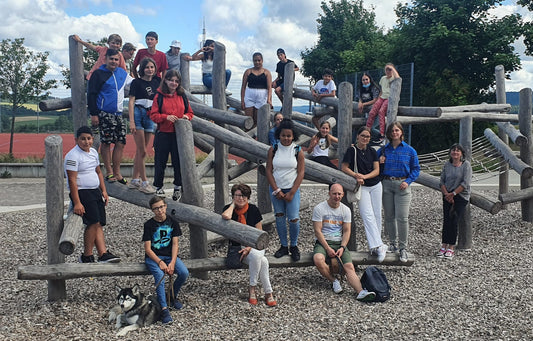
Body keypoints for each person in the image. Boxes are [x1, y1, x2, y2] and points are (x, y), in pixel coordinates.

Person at [64, 126, 120, 263]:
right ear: (76, 140)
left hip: (95, 190)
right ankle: (86, 255)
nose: (86, 142)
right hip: (82, 192)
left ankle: (103, 253)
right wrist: (77, 202)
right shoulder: (72, 156)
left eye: (88, 139)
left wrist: (104, 191)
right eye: (83, 139)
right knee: (93, 222)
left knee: (99, 223)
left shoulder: (94, 152)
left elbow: (98, 172)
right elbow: (72, 179)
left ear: (92, 139)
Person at [312, 183, 376, 301]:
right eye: (334, 193)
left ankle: (360, 291)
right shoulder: (319, 208)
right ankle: (334, 280)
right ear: (329, 193)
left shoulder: (345, 210)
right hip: (323, 241)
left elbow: (347, 231)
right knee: (318, 259)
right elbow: (317, 231)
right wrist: (327, 248)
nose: (337, 196)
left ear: (343, 194)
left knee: (349, 267)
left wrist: (342, 247)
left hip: (338, 242)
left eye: (339, 194)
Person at [221, 184, 277, 307]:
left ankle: (252, 288)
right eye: (237, 195)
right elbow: (226, 216)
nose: (240, 198)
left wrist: (249, 247)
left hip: (256, 246)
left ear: (248, 197)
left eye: (243, 196)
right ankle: (268, 293)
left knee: (257, 256)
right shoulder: (228, 209)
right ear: (233, 196)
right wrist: (232, 205)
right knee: (263, 261)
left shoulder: (253, 210)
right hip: (237, 248)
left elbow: (260, 234)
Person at [341, 127, 388, 262]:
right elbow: (344, 167)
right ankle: (378, 245)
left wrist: (364, 176)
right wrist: (356, 176)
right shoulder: (352, 151)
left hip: (375, 184)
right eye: (363, 136)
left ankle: (377, 245)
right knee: (367, 215)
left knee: (377, 214)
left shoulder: (372, 151)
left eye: (367, 136)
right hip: (363, 187)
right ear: (358, 136)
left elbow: (377, 170)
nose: (365, 138)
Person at [149, 69, 194, 201]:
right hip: (163, 133)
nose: (173, 83)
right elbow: (153, 115)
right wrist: (165, 117)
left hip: (178, 136)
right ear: (166, 81)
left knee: (178, 162)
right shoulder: (159, 96)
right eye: (171, 80)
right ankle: (158, 186)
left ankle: (177, 187)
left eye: (176, 81)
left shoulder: (182, 95)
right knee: (160, 162)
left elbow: (190, 112)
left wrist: (186, 116)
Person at [143, 196, 189, 324]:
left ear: (166, 206)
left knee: (184, 272)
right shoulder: (149, 225)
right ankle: (163, 309)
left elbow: (175, 244)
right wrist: (159, 262)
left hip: (169, 256)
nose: (160, 210)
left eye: (161, 207)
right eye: (156, 208)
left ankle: (171, 297)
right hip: (154, 258)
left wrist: (172, 262)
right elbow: (148, 249)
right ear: (152, 210)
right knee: (159, 275)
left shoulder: (173, 222)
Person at [378, 122, 420, 263]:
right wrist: (380, 162)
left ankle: (403, 248)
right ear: (389, 134)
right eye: (392, 131)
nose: (395, 133)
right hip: (387, 184)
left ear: (401, 132)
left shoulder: (410, 150)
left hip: (403, 185)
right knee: (389, 216)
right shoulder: (384, 150)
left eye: (397, 130)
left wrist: (408, 181)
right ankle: (392, 244)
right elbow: (373, 164)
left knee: (402, 217)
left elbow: (416, 169)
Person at [266, 118, 305, 261]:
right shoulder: (273, 149)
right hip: (276, 190)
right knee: (280, 217)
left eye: (289, 136)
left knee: (294, 218)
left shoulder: (297, 150)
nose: (286, 138)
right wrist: (276, 190)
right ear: (279, 135)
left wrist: (292, 192)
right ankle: (283, 245)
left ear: (293, 135)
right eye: (283, 135)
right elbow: (268, 170)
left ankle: (293, 245)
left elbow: (301, 172)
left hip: (292, 189)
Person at [87, 49, 128, 184]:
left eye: (116, 59)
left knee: (120, 142)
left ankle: (117, 172)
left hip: (119, 113)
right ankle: (109, 171)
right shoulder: (98, 74)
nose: (114, 62)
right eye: (111, 59)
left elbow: (135, 83)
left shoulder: (122, 73)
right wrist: (94, 114)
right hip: (104, 113)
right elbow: (91, 94)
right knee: (106, 141)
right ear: (106, 59)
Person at [127, 57, 160, 194]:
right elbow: (131, 101)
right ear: (142, 69)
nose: (149, 69)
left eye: (152, 67)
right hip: (138, 113)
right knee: (143, 151)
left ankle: (134, 180)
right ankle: (145, 182)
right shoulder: (136, 82)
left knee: (141, 150)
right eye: (147, 67)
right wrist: (132, 121)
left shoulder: (157, 82)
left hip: (150, 115)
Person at [438, 143, 471, 260]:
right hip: (447, 195)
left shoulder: (466, 165)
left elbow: (465, 183)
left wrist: (454, 194)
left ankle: (451, 247)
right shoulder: (447, 165)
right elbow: (441, 181)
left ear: (461, 153)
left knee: (454, 220)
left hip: (460, 196)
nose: (455, 152)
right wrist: (446, 193)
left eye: (458, 151)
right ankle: (443, 245)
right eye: (453, 150)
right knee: (446, 220)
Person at [366, 64, 400, 142]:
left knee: (381, 112)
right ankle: (367, 131)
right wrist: (378, 100)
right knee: (372, 112)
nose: (388, 71)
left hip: (390, 98)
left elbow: (398, 78)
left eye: (389, 70)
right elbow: (382, 90)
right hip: (382, 97)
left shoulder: (393, 78)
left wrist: (392, 68)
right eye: (386, 70)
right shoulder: (383, 78)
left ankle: (382, 134)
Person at [240, 52, 272, 127]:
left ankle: (256, 137)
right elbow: (243, 87)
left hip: (262, 97)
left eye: (259, 60)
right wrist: (242, 100)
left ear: (262, 61)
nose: (257, 62)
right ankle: (248, 136)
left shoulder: (267, 72)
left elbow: (269, 87)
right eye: (255, 60)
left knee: (258, 119)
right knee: (248, 119)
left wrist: (269, 99)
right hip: (249, 96)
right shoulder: (248, 72)